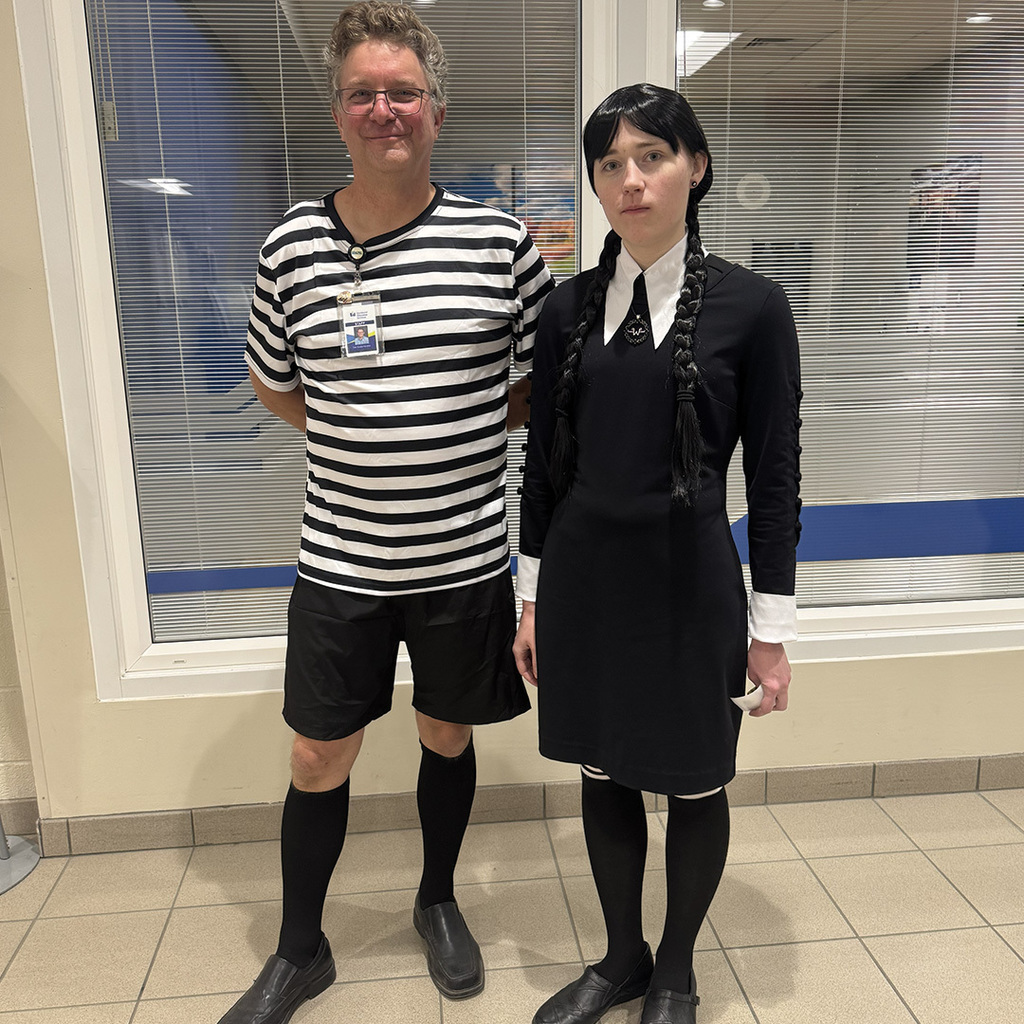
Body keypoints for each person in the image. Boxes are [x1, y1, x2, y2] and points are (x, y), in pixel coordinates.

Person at [223, 3, 551, 1022]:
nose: (383, 109)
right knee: (318, 751)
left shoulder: (500, 243)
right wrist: (359, 430)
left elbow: (535, 389)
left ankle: (438, 898)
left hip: (463, 559)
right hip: (341, 560)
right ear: (339, 113)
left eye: (401, 91)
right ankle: (299, 947)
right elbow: (277, 384)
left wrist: (445, 424)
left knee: (446, 734)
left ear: (436, 111)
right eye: (363, 93)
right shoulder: (290, 246)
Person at [513, 83, 801, 1024]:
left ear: (696, 167)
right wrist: (530, 600)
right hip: (586, 583)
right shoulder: (564, 314)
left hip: (691, 586)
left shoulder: (753, 309)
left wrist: (771, 631)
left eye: (652, 157)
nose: (630, 179)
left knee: (691, 779)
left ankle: (675, 967)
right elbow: (543, 472)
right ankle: (621, 957)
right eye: (611, 164)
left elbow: (777, 481)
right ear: (596, 184)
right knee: (603, 770)